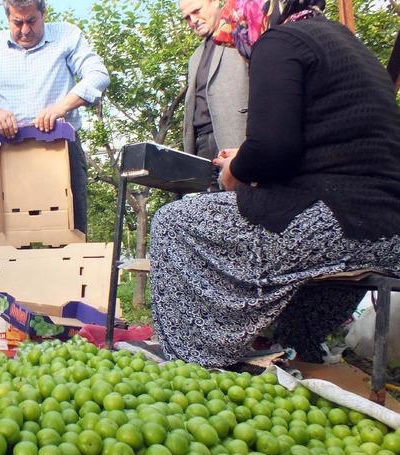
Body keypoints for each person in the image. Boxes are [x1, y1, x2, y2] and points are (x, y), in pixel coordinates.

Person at [149, 0, 400, 367]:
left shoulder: (280, 40)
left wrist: (236, 168)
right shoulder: (347, 43)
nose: (233, 26)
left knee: (173, 223)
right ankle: (299, 343)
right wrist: (250, 155)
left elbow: (272, 150)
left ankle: (193, 361)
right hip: (387, 231)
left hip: (333, 224)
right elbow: (323, 146)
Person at [0, 0, 109, 235]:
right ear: (7, 17)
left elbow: (98, 75)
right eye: (17, 22)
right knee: (11, 237)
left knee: (69, 233)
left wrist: (61, 107)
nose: (25, 30)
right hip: (8, 154)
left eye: (32, 21)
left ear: (43, 13)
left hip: (61, 149)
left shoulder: (67, 35)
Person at [180, 0, 249, 160]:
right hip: (200, 145)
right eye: (187, 18)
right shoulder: (194, 58)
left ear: (216, 2)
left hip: (237, 140)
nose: (193, 21)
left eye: (196, 11)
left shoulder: (242, 34)